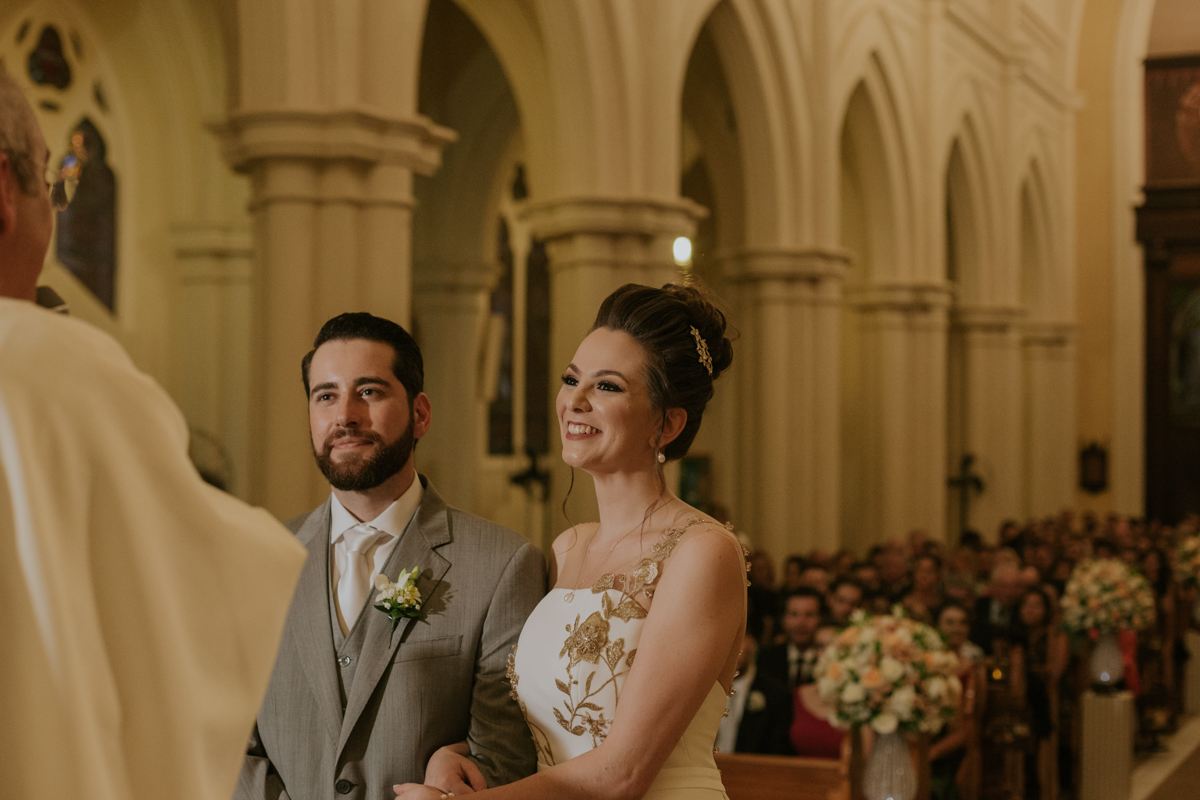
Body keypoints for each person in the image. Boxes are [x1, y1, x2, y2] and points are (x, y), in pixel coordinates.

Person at [0, 64, 307, 800]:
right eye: (49, 179)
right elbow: (191, 612)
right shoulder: (52, 370)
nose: (57, 210)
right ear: (5, 196)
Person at [397, 282, 743, 799]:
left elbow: (622, 774)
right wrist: (458, 752)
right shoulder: (568, 548)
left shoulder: (702, 551)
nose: (574, 402)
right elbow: (552, 729)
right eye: (571, 379)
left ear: (668, 424)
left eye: (607, 387)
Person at [238, 313, 546, 799]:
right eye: (326, 396)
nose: (345, 416)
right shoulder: (256, 561)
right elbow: (229, 743)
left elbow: (507, 758)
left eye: (369, 392)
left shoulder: (503, 565)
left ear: (420, 414)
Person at [715, 634, 792, 755]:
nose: (731, 651)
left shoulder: (774, 693)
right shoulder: (704, 688)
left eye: (737, 642)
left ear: (751, 644)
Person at [760, 588, 825, 693]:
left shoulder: (828, 659)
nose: (801, 623)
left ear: (821, 619)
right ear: (783, 619)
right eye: (794, 614)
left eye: (809, 615)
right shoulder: (766, 658)